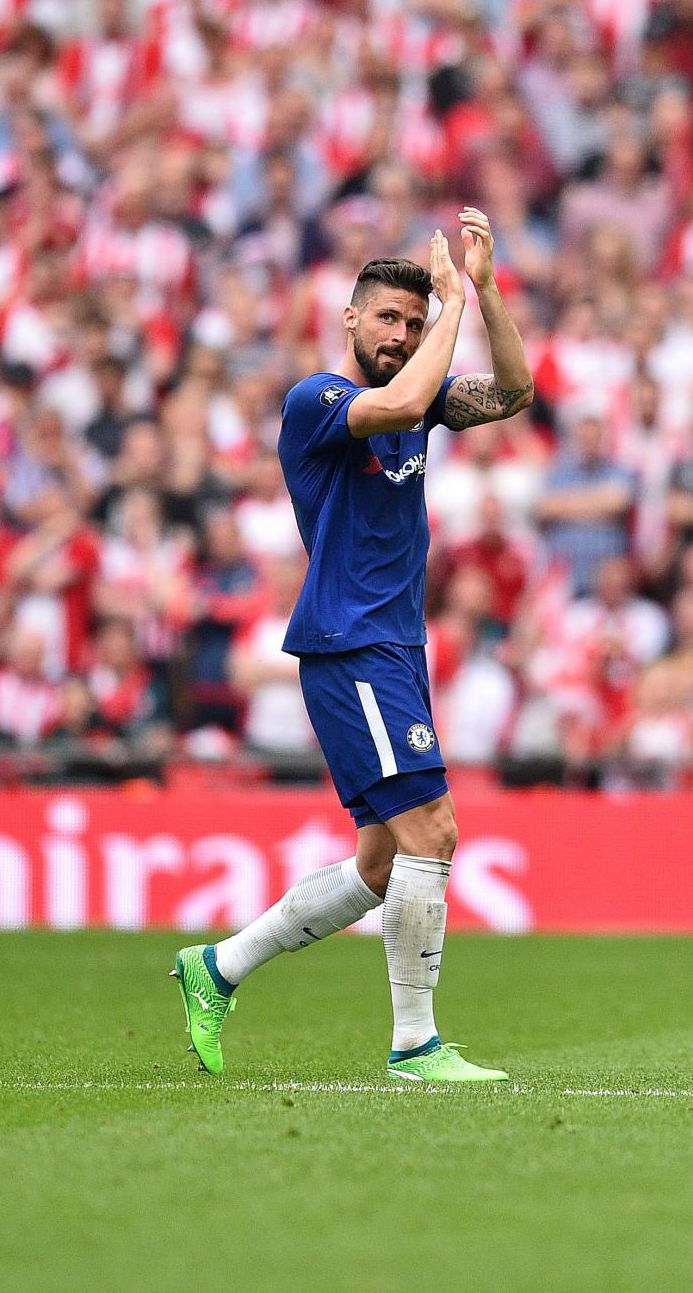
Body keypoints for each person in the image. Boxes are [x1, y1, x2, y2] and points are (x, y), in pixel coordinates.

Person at [170, 209, 534, 1085]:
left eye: (412, 323)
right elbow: (406, 398)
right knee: (435, 831)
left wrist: (483, 291)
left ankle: (216, 968)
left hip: (393, 647)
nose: (402, 334)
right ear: (350, 319)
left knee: (380, 862)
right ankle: (416, 1044)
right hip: (351, 640)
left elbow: (515, 393)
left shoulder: (421, 399)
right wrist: (448, 300)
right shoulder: (320, 401)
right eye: (389, 320)